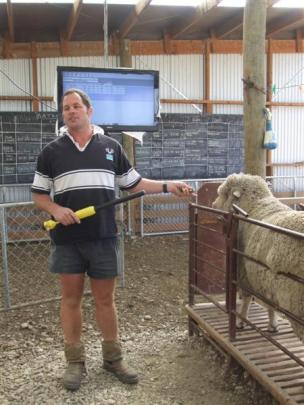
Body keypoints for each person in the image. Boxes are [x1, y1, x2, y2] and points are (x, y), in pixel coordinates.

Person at [31, 88, 193, 391]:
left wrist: (169, 185)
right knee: (70, 300)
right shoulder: (51, 152)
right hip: (67, 239)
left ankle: (112, 358)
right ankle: (75, 362)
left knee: (106, 300)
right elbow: (39, 194)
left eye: (76, 106)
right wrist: (56, 209)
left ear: (89, 111)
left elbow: (134, 183)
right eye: (66, 108)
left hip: (105, 236)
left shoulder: (111, 147)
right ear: (63, 114)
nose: (71, 112)